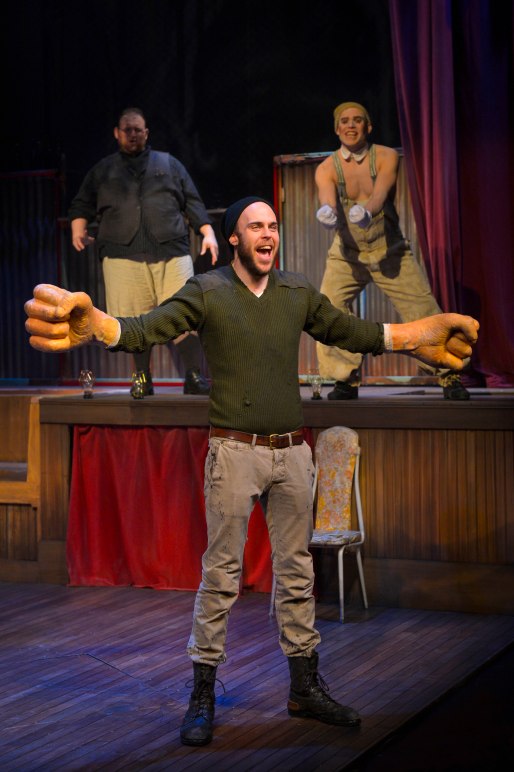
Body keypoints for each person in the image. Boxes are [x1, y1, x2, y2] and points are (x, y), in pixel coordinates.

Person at [25, 197, 478, 747]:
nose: (267, 234)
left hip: (292, 454)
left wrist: (416, 338)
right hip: (235, 453)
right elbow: (149, 328)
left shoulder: (294, 291)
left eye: (272, 227)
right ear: (234, 239)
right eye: (255, 227)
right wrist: (97, 324)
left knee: (297, 575)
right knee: (221, 577)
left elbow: (346, 332)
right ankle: (202, 693)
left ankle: (304, 687)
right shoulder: (208, 291)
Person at [315, 101, 469, 401]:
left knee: (423, 310)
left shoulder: (385, 156)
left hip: (390, 250)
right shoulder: (327, 167)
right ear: (336, 129)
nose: (350, 125)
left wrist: (368, 210)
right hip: (348, 254)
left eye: (357, 120)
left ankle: (450, 375)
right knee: (328, 309)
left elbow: (380, 192)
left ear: (367, 126)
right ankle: (344, 379)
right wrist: (327, 212)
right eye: (344, 121)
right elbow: (327, 198)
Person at [69, 106, 218, 396]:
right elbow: (81, 202)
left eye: (139, 129)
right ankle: (141, 377)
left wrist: (207, 232)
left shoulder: (169, 164)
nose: (133, 134)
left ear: (146, 132)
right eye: (128, 129)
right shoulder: (103, 169)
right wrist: (78, 227)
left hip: (172, 252)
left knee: (185, 313)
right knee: (132, 318)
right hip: (122, 255)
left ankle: (194, 375)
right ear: (117, 133)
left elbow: (193, 201)